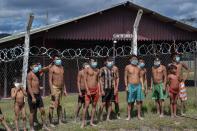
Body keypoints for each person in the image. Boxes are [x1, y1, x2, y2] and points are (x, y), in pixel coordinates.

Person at [27, 62, 50, 131]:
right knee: (32, 112)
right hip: (32, 96)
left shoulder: (37, 73)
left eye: (36, 66)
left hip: (38, 95)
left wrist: (44, 66)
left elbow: (45, 69)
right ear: (31, 67)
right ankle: (31, 128)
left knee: (42, 110)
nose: (36, 67)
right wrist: (33, 97)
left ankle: (44, 126)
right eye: (35, 66)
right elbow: (29, 87)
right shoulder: (29, 75)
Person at [81, 58, 100, 128]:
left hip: (96, 90)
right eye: (93, 61)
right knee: (86, 106)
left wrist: (99, 90)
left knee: (94, 106)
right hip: (89, 90)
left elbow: (98, 81)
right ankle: (83, 123)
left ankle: (91, 122)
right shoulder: (87, 70)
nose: (94, 62)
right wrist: (87, 90)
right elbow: (85, 80)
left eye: (95, 61)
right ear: (90, 62)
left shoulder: (98, 70)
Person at [125, 55, 144, 120]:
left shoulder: (139, 68)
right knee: (129, 102)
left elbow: (141, 77)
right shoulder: (127, 67)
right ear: (130, 60)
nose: (135, 60)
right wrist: (126, 86)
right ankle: (129, 116)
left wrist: (142, 86)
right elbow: (125, 77)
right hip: (130, 85)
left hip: (138, 86)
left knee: (138, 101)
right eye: (133, 59)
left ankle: (138, 116)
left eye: (136, 59)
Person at [49, 56, 67, 125]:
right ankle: (51, 122)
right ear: (54, 60)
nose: (58, 60)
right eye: (57, 59)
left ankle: (59, 121)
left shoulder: (62, 68)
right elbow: (50, 80)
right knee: (53, 105)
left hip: (61, 88)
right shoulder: (52, 68)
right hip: (54, 87)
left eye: (59, 59)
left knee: (60, 105)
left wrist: (65, 89)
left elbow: (63, 79)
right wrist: (52, 90)